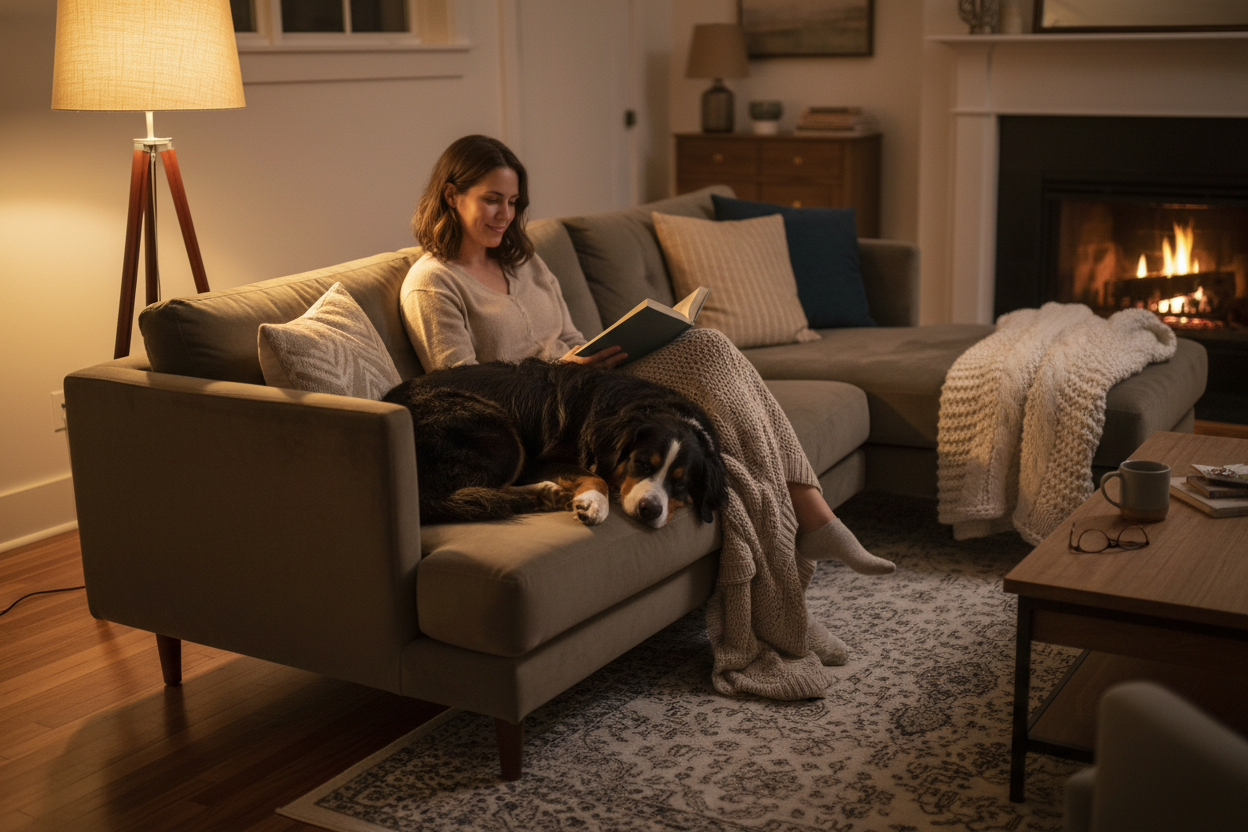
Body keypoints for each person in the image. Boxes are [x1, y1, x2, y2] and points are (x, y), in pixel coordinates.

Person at [400, 135, 893, 699]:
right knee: (729, 464)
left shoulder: (526, 260)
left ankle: (801, 556)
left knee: (709, 348)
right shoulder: (432, 282)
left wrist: (597, 353)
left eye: (513, 204)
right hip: (539, 406)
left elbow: (573, 337)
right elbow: (459, 379)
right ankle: (798, 580)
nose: (505, 216)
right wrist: (565, 367)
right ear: (451, 195)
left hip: (591, 388)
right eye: (492, 200)